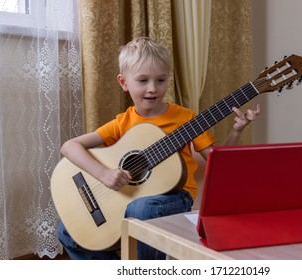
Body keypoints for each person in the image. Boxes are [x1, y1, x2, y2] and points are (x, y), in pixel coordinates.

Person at [57, 37, 261, 260]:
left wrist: (236, 131)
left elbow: (219, 166)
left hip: (174, 196)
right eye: (143, 80)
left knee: (141, 209)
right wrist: (103, 174)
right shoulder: (122, 123)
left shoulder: (186, 119)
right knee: (66, 233)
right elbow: (69, 147)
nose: (153, 89)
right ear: (124, 82)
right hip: (130, 198)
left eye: (161, 80)